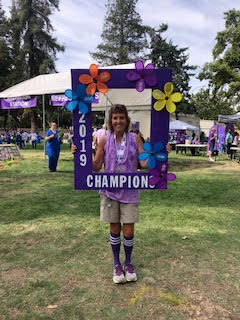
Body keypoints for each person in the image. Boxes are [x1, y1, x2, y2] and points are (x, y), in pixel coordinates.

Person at [72, 104, 171, 284]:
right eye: (115, 118)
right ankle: (117, 264)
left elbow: (144, 164)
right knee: (115, 227)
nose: (118, 121)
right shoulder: (104, 139)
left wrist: (161, 152)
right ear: (111, 120)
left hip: (130, 189)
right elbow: (96, 165)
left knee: (129, 228)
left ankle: (128, 262)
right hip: (109, 190)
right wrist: (79, 155)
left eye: (121, 118)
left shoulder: (135, 139)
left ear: (127, 121)